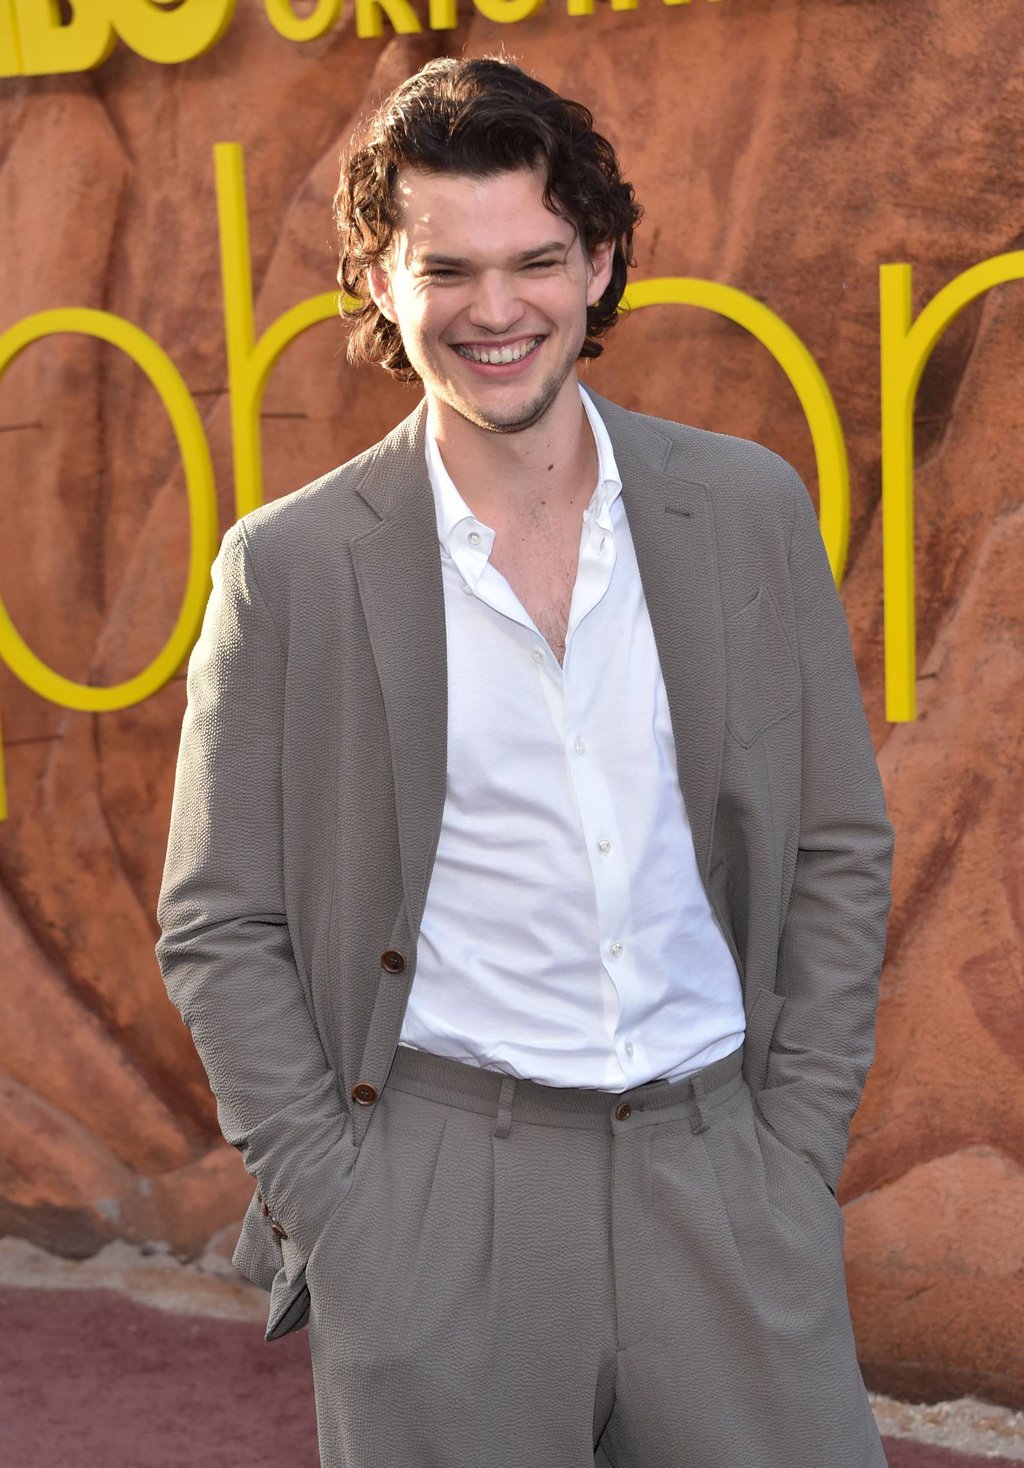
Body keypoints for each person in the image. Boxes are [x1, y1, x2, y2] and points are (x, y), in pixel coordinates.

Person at [156, 56, 894, 1468]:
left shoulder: (745, 508)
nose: (496, 311)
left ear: (599, 262)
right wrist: (342, 1207)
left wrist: (797, 1145)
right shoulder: (289, 567)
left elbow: (837, 846)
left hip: (723, 1178)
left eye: (537, 261)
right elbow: (218, 919)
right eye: (448, 268)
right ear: (379, 281)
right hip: (442, 1204)